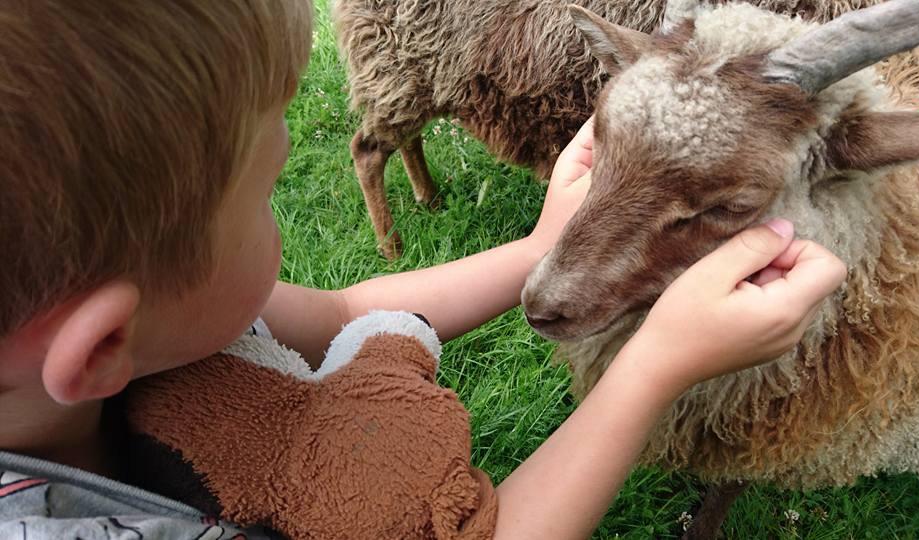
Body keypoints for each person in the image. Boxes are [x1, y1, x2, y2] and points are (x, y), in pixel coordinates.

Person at [0, 1, 847, 538]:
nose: (276, 209)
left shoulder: (154, 318)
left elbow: (343, 312)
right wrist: (651, 367)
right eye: (266, 194)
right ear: (101, 343)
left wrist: (535, 249)